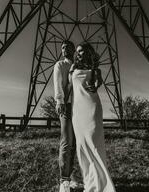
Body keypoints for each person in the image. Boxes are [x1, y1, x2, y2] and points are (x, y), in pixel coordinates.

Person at [69, 42, 116, 192]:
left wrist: (96, 81)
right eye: (78, 51)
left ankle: (102, 186)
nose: (79, 53)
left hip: (91, 107)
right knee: (82, 146)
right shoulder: (73, 68)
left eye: (82, 51)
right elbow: (69, 86)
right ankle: (90, 183)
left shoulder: (95, 69)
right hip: (77, 109)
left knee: (94, 145)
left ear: (89, 52)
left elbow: (97, 82)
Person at [54, 40, 82, 192]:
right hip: (66, 105)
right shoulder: (60, 65)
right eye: (62, 48)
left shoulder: (78, 65)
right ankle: (63, 180)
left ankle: (72, 176)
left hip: (79, 106)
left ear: (73, 49)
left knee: (77, 142)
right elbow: (58, 83)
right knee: (67, 141)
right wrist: (59, 101)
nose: (64, 49)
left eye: (67, 47)